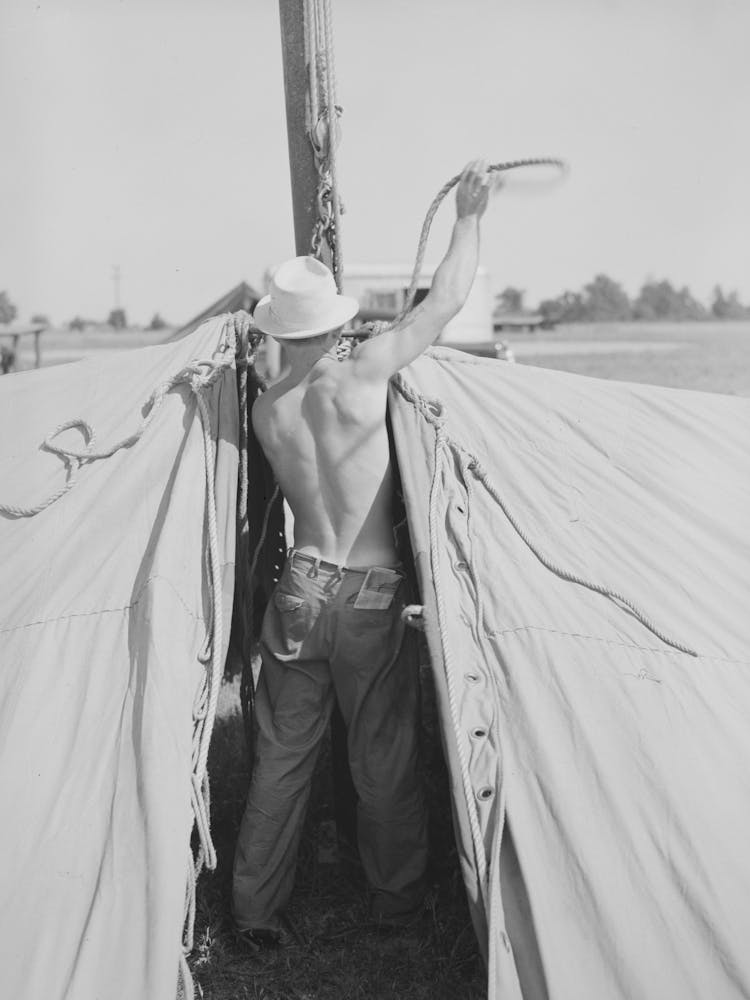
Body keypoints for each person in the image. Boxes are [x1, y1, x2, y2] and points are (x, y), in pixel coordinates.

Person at [232, 159, 498, 949]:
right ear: (333, 324)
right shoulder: (366, 372)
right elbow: (446, 300)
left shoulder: (265, 405)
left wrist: (266, 341)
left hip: (300, 588)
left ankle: (252, 912)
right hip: (370, 590)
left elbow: (262, 346)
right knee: (381, 754)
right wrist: (470, 216)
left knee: (283, 757)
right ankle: (399, 910)